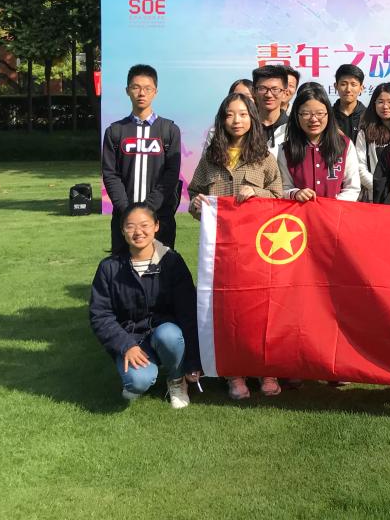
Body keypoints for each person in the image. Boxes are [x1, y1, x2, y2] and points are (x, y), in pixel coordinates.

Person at [187, 93, 283, 401]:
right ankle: (235, 374)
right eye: (230, 114)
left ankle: (266, 370)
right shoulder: (210, 158)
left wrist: (257, 193)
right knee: (227, 310)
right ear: (222, 119)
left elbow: (278, 196)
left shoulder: (264, 157)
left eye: (242, 114)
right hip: (221, 252)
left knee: (259, 309)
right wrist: (196, 205)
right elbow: (194, 193)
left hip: (257, 251)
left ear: (252, 119)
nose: (236, 120)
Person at [89, 202, 199, 408]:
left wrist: (193, 361)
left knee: (169, 335)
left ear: (156, 226)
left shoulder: (172, 262)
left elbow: (188, 312)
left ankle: (176, 380)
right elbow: (100, 315)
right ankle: (141, 375)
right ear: (122, 230)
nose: (138, 232)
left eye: (144, 225)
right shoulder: (109, 268)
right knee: (137, 382)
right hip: (131, 338)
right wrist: (125, 345)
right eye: (130, 226)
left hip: (165, 333)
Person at [102, 63, 182, 254]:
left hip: (160, 217)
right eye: (136, 87)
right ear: (127, 90)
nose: (141, 93)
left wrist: (148, 210)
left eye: (147, 88)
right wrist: (128, 211)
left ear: (155, 92)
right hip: (124, 218)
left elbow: (171, 174)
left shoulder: (169, 130)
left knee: (161, 266)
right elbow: (110, 174)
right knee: (123, 267)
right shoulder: (115, 131)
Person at [278, 82, 361, 202]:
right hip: (301, 212)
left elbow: (352, 188)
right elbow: (284, 187)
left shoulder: (344, 145)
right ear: (297, 116)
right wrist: (295, 193)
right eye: (306, 114)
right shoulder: (286, 150)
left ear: (328, 114)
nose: (313, 119)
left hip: (337, 211)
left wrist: (332, 206)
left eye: (320, 113)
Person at [355, 82, 390, 201]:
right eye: (380, 102)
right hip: (375, 197)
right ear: (374, 104)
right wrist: (380, 189)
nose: (385, 106)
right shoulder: (365, 132)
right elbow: (360, 167)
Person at [251, 64, 289, 157]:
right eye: (262, 89)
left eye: (275, 89)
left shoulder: (292, 128)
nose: (268, 95)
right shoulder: (246, 127)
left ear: (284, 93)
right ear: (254, 91)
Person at [332, 63, 366, 142]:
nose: (348, 89)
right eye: (343, 84)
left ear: (361, 88)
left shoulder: (368, 116)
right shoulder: (328, 115)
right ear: (336, 86)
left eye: (353, 85)